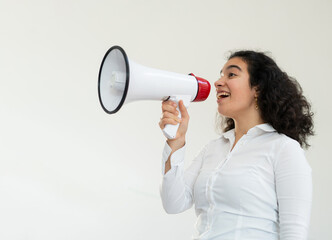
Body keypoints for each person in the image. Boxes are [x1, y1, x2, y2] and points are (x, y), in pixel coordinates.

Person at [159, 50, 314, 240]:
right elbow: (173, 202)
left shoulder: (284, 149)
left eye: (231, 74)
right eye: (221, 74)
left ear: (257, 88)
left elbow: (294, 234)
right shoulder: (214, 148)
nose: (218, 82)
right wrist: (176, 141)